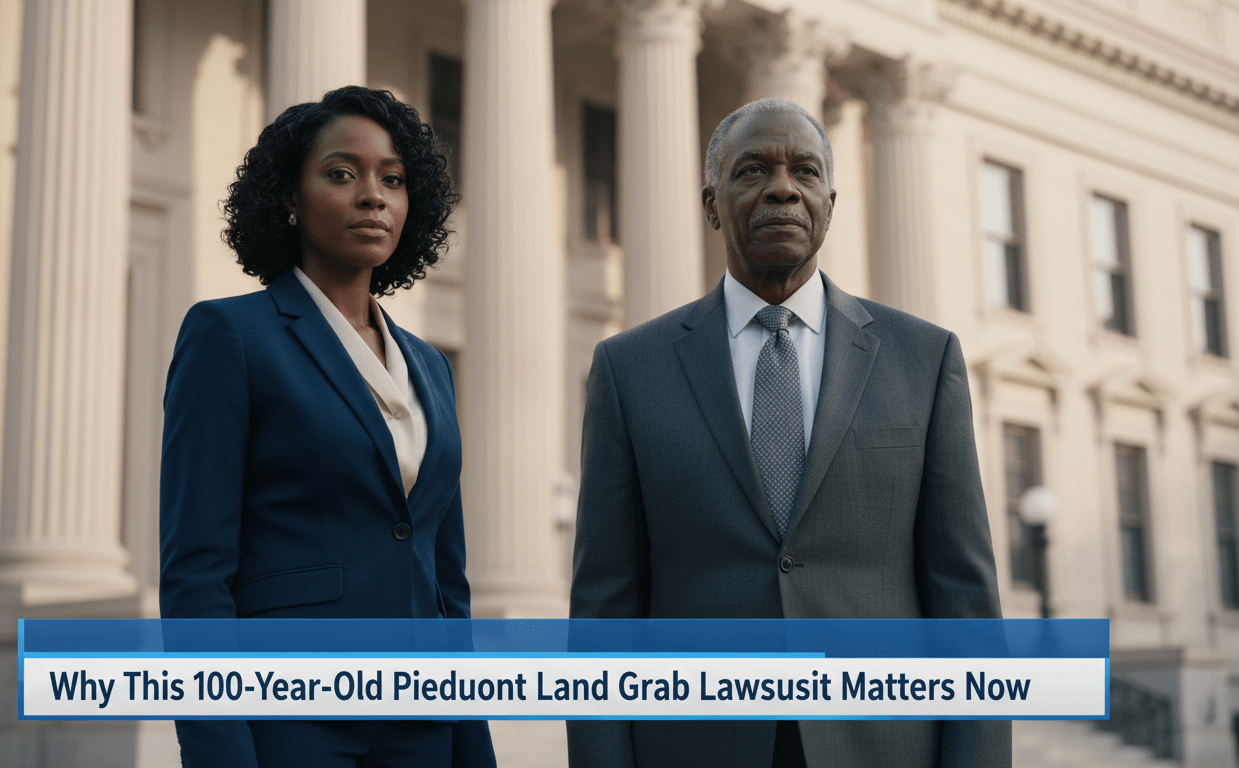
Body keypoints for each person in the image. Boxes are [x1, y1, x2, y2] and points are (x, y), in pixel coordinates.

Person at [567, 98, 1008, 768]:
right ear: (712, 204)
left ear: (830, 203)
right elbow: (604, 606)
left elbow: (965, 600)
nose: (782, 187)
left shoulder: (925, 360)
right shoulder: (629, 369)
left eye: (804, 170)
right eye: (753, 171)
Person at [160, 86, 495, 768]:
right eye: (342, 173)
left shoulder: (430, 366)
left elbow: (445, 581)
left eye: (393, 179)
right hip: (290, 722)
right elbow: (197, 574)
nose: (373, 195)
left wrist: (471, 742)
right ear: (290, 196)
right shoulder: (230, 336)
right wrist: (219, 750)